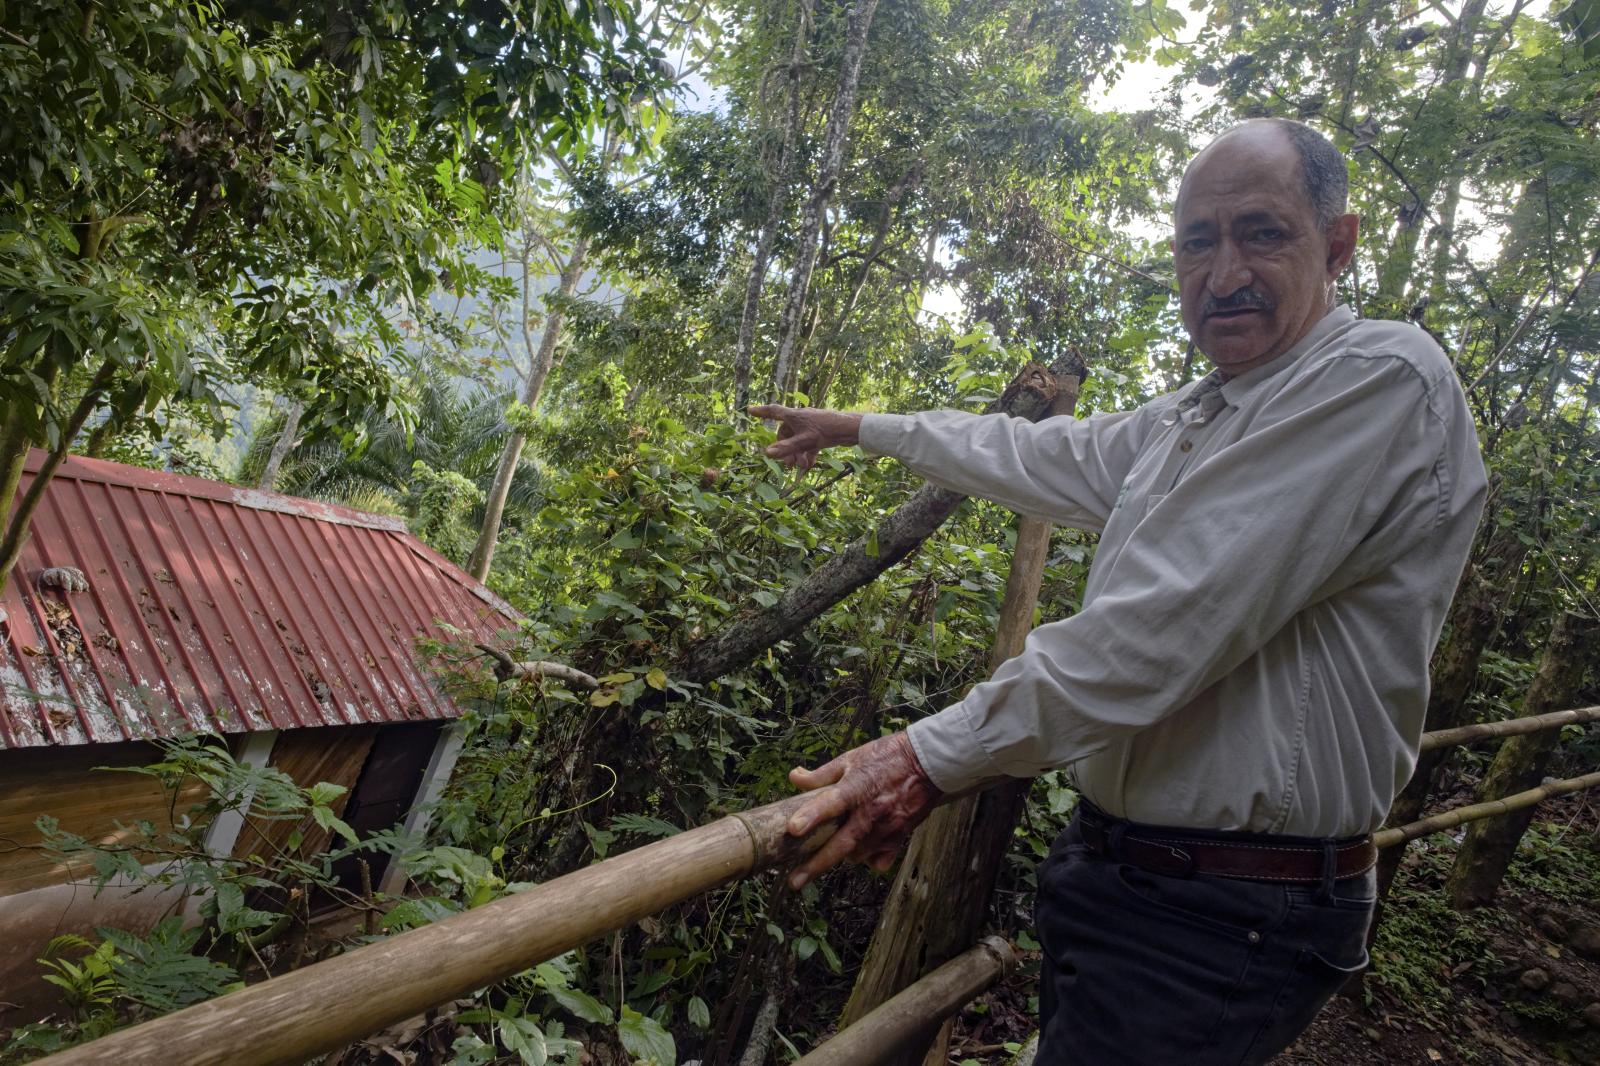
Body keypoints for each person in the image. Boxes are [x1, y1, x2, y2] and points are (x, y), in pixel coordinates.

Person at [747, 118, 1487, 1064]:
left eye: (1261, 232)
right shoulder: (1202, 411)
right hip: (1128, 876)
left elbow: (1159, 630)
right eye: (1197, 242)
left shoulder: (1374, 381)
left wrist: (925, 758)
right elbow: (1035, 451)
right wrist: (863, 427)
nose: (1223, 274)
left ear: (1336, 243)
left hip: (1229, 915)